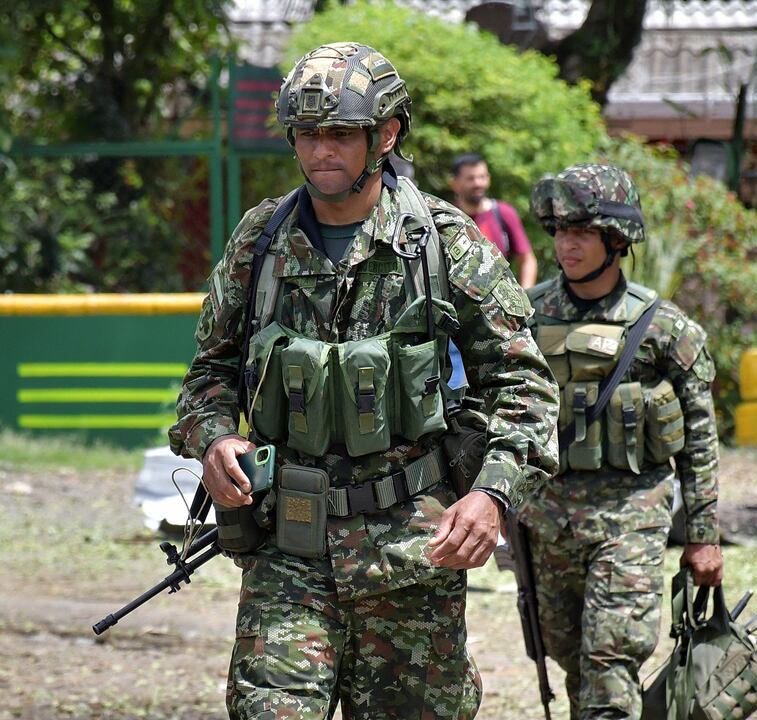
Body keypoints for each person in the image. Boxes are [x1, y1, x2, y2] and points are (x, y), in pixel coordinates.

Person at [169, 42, 559, 718]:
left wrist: (493, 495)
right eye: (308, 134)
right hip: (288, 549)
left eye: (340, 134)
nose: (322, 150)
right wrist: (211, 439)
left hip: (412, 555)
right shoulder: (260, 240)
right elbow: (210, 370)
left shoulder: (443, 242)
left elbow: (524, 385)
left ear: (385, 134)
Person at [520, 163, 722, 720]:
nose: (567, 244)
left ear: (616, 240)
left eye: (581, 231)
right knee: (570, 659)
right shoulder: (527, 317)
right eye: (559, 231)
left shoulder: (664, 328)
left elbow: (700, 436)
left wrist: (703, 535)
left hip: (631, 514)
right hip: (547, 518)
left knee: (611, 659)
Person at [450, 153, 538, 288]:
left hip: (500, 302)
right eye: (470, 179)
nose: (478, 183)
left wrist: (526, 296)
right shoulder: (448, 217)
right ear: (455, 184)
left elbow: (527, 259)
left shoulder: (504, 213)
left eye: (482, 177)